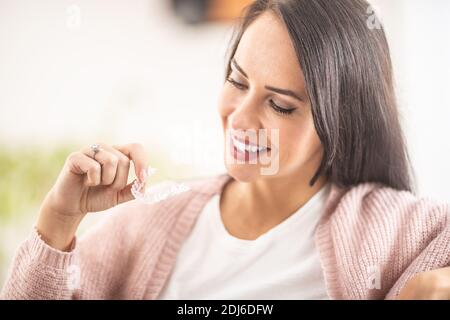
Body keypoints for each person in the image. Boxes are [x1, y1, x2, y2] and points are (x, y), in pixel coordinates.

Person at [1, 0, 449, 300]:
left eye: (279, 104)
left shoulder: (399, 232)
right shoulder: (147, 225)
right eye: (237, 81)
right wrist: (59, 219)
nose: (240, 117)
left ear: (341, 121)